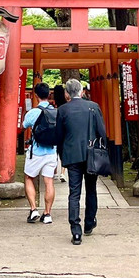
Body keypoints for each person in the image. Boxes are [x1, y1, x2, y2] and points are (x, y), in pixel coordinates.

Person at [56, 78, 106, 245]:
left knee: (74, 193)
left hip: (72, 156)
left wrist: (63, 156)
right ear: (82, 91)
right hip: (91, 155)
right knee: (91, 189)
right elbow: (102, 132)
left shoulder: (62, 110)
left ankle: (76, 231)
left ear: (67, 94)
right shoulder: (93, 107)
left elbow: (59, 136)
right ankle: (89, 223)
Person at [21, 82, 57, 224]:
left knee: (29, 178)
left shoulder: (32, 113)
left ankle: (33, 209)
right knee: (49, 182)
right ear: (49, 94)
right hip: (51, 151)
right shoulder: (56, 112)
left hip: (36, 152)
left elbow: (23, 127)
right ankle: (47, 214)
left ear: (35, 95)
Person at [52, 83, 69, 183]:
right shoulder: (66, 105)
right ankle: (62, 172)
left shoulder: (54, 105)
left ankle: (54, 172)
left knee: (55, 152)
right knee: (64, 152)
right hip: (65, 131)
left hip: (55, 131)